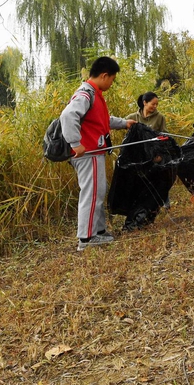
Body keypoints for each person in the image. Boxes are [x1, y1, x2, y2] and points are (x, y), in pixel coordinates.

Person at [60, 56, 135, 251]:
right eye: (112, 79)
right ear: (104, 75)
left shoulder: (94, 94)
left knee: (98, 191)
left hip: (95, 152)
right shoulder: (85, 94)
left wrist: (123, 123)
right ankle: (86, 238)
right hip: (88, 153)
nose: (112, 83)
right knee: (91, 194)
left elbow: (101, 119)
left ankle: (98, 231)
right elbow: (68, 115)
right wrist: (75, 143)